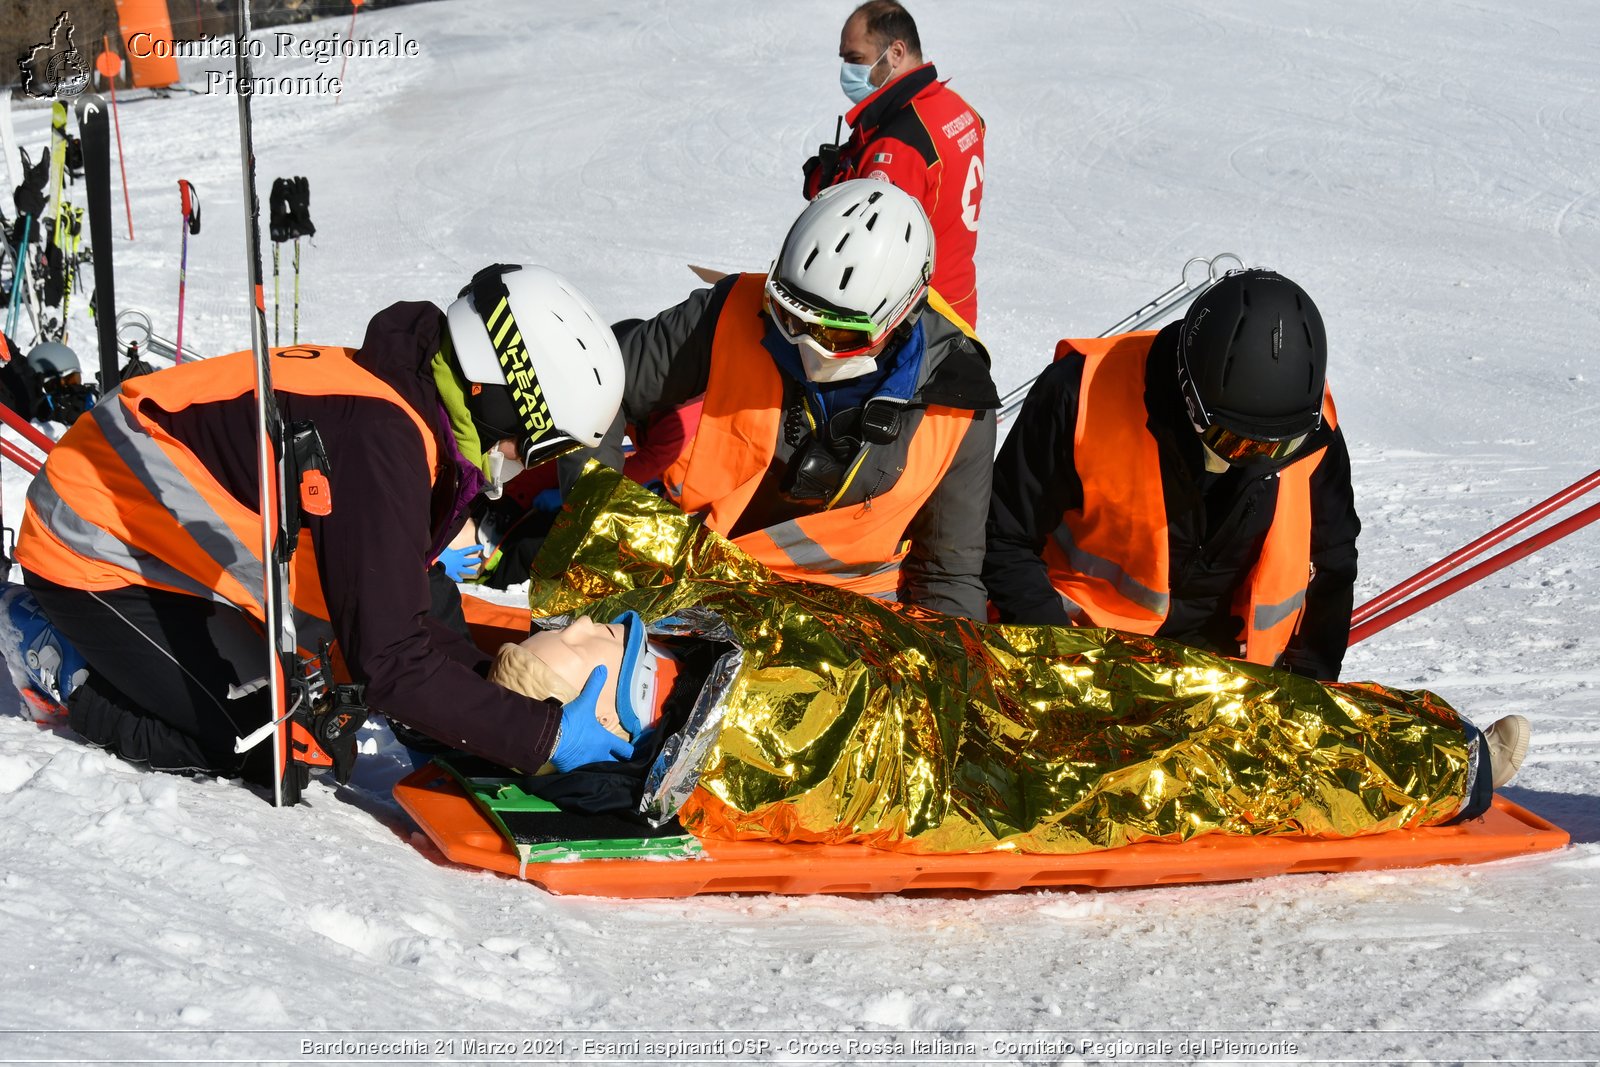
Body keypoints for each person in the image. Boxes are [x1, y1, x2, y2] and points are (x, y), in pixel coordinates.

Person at [474, 466, 1531, 856]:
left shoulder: (695, 637)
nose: (586, 622)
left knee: (1195, 690)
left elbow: (680, 560)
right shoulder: (752, 745)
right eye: (577, 639)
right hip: (986, 766)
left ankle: (1420, 743)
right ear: (619, 707)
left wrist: (541, 501)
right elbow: (853, 756)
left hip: (986, 671)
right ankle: (1443, 767)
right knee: (1200, 761)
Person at [7, 264, 638, 796]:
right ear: (502, 394)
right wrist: (542, 738)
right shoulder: (382, 438)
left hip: (169, 545)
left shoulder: (408, 409)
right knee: (273, 745)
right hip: (92, 548)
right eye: (536, 442)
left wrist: (498, 703)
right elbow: (390, 661)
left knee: (324, 720)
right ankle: (48, 649)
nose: (524, 462)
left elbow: (405, 613)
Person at [598, 179, 999, 620]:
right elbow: (599, 389)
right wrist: (593, 508)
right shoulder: (730, 309)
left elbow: (946, 575)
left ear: (900, 315)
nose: (807, 344)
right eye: (789, 314)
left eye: (839, 333)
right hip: (702, 585)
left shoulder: (958, 399)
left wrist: (945, 675)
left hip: (843, 626)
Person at [985, 268, 1361, 681]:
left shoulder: (1311, 429)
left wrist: (1308, 683)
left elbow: (1332, 560)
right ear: (1189, 397)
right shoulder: (1081, 394)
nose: (1253, 461)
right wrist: (1056, 661)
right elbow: (1003, 536)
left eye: (1277, 448)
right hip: (1084, 656)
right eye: (1233, 443)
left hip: (1227, 677)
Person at [803, 1, 986, 327]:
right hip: (957, 304)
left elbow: (862, 255)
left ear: (896, 52)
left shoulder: (897, 146)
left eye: (855, 59)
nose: (846, 71)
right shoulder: (956, 108)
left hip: (916, 326)